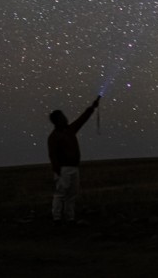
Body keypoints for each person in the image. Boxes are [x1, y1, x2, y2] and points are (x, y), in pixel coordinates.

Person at [48, 95, 100, 223]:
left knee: (71, 194)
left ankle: (69, 217)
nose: (65, 118)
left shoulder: (69, 130)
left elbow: (82, 119)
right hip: (63, 169)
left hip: (74, 167)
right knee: (60, 193)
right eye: (62, 117)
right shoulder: (54, 137)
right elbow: (52, 155)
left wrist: (92, 107)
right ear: (57, 120)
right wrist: (58, 171)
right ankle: (57, 218)